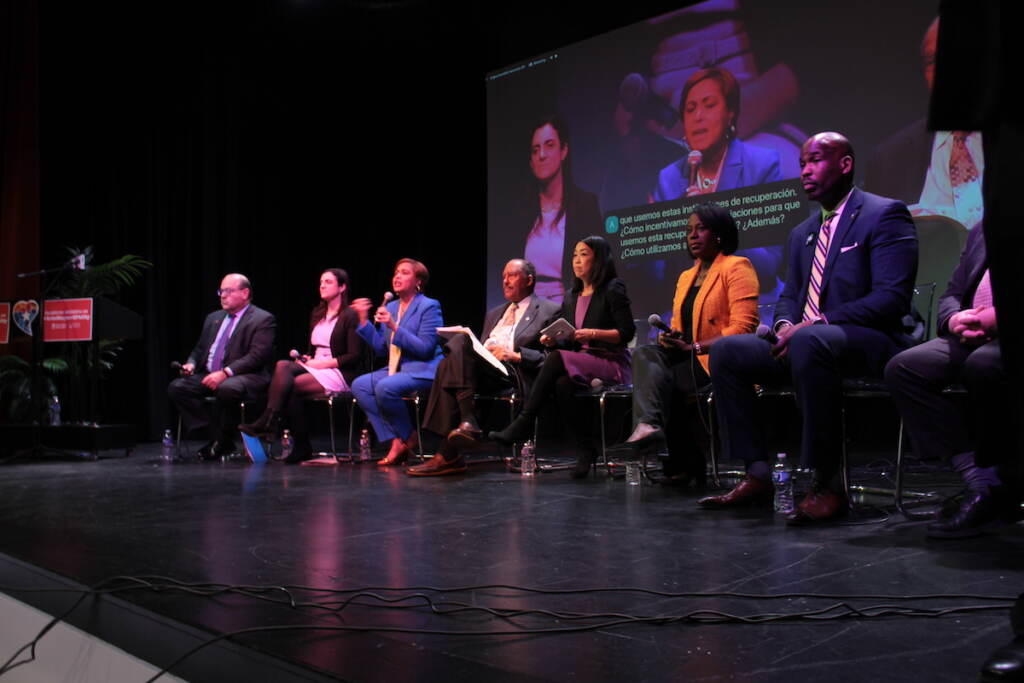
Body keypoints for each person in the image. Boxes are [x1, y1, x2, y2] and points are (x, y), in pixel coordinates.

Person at [698, 132, 918, 524]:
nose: (805, 171)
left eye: (815, 160)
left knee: (810, 340)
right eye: (801, 164)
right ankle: (758, 473)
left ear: (845, 164)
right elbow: (790, 297)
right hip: (807, 345)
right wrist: (785, 324)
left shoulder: (884, 214)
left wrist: (814, 323)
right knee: (727, 351)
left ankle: (827, 483)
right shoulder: (801, 234)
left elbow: (891, 299)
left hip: (869, 341)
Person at [610, 205, 759, 486]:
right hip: (686, 357)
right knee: (646, 352)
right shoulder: (685, 277)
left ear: (718, 234)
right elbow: (680, 325)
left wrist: (696, 347)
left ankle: (680, 463)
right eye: (689, 230)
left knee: (667, 381)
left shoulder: (737, 266)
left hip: (717, 359)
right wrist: (671, 336)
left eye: (700, 229)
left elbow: (743, 328)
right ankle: (650, 427)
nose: (692, 235)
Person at [885, 223, 1012, 537]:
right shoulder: (984, 229)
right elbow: (953, 293)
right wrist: (955, 319)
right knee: (905, 368)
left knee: (983, 365)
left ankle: (1007, 485)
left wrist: (996, 318)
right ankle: (980, 481)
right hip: (970, 333)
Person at [490, 236, 636, 478]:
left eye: (584, 255)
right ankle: (585, 449)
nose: (577, 261)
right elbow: (570, 337)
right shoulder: (571, 295)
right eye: (574, 255)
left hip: (612, 362)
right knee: (561, 383)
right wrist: (554, 338)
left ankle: (524, 421)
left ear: (599, 259)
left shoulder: (613, 288)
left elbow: (627, 333)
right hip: (583, 362)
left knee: (556, 358)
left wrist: (590, 333)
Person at [407, 259, 561, 476]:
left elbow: (553, 357)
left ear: (529, 280)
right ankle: (456, 440)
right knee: (450, 358)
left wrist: (516, 355)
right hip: (483, 371)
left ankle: (456, 441)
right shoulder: (495, 313)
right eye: (503, 276)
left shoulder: (549, 310)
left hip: (512, 372)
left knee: (457, 350)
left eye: (512, 276)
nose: (505, 281)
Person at [238, 269, 364, 463]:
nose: (322, 285)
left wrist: (321, 364)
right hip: (317, 365)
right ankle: (276, 428)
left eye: (328, 282)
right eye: (321, 281)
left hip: (340, 371)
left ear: (342, 287)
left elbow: (354, 355)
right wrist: (307, 359)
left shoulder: (350, 315)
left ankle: (275, 427)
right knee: (284, 366)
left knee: (292, 385)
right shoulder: (318, 312)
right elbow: (314, 348)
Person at [167, 273, 276, 459]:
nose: (222, 295)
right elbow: (199, 350)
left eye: (228, 291)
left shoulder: (262, 319)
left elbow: (257, 356)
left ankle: (221, 440)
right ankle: (217, 437)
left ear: (244, 293)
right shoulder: (213, 318)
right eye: (221, 291)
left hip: (248, 375)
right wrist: (191, 364)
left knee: (227, 388)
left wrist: (226, 373)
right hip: (211, 374)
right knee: (177, 387)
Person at [350, 258, 443, 467]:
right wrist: (364, 321)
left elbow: (426, 348)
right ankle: (400, 438)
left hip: (424, 368)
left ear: (418, 281)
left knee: (384, 387)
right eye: (396, 273)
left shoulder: (429, 306)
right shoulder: (391, 306)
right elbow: (382, 348)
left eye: (404, 272)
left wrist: (394, 326)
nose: (397, 276)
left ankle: (403, 440)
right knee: (361, 385)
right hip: (398, 368)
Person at [652, 67, 782, 201]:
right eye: (690, 109)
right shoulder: (668, 178)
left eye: (709, 105)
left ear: (730, 113)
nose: (698, 116)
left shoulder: (761, 164)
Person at [521, 115, 603, 303]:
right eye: (535, 150)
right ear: (531, 161)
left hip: (569, 306)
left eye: (549, 145)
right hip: (527, 308)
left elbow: (599, 267)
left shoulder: (585, 205)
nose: (542, 155)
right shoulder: (521, 211)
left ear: (563, 150)